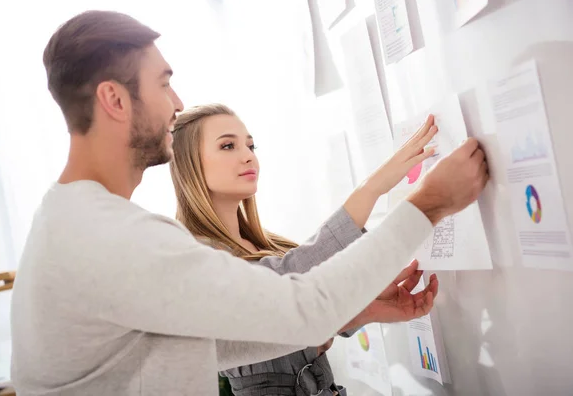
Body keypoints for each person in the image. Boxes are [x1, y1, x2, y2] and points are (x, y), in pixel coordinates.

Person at [9, 10, 489, 396]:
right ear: (114, 99)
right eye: (163, 83)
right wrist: (428, 205)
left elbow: (215, 341)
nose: (177, 103)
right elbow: (304, 306)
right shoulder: (111, 237)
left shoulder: (68, 221)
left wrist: (353, 312)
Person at [170, 103, 442, 395]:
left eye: (251, 145)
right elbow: (285, 283)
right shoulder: (196, 257)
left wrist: (366, 308)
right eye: (228, 146)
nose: (248, 156)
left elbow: (302, 319)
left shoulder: (267, 244)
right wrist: (373, 188)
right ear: (190, 165)